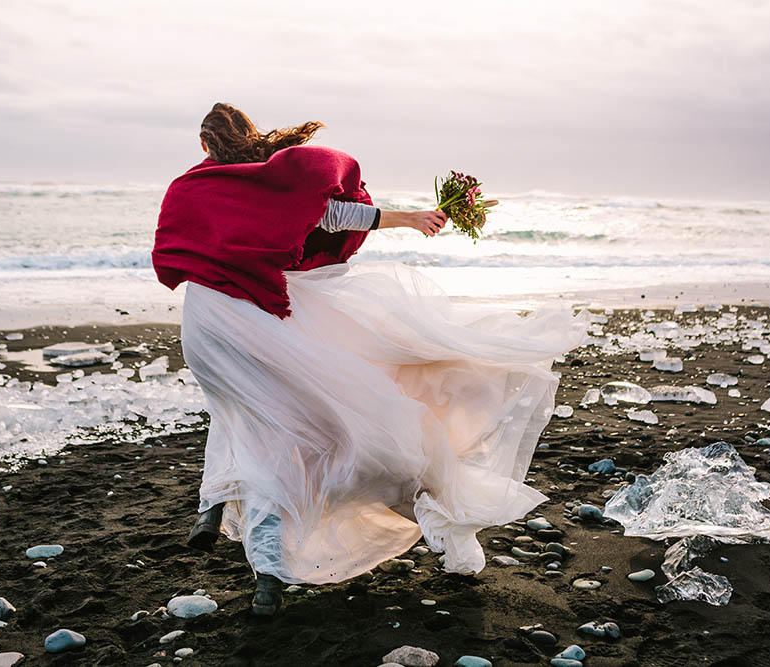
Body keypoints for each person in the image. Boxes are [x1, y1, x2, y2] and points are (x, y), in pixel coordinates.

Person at [152, 103, 589, 616]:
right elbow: (329, 215)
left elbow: (176, 248)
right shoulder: (267, 182)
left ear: (205, 146)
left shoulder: (191, 187)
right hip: (252, 317)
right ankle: (263, 569)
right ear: (249, 137)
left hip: (205, 324)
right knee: (274, 433)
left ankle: (213, 508)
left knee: (239, 414)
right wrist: (409, 219)